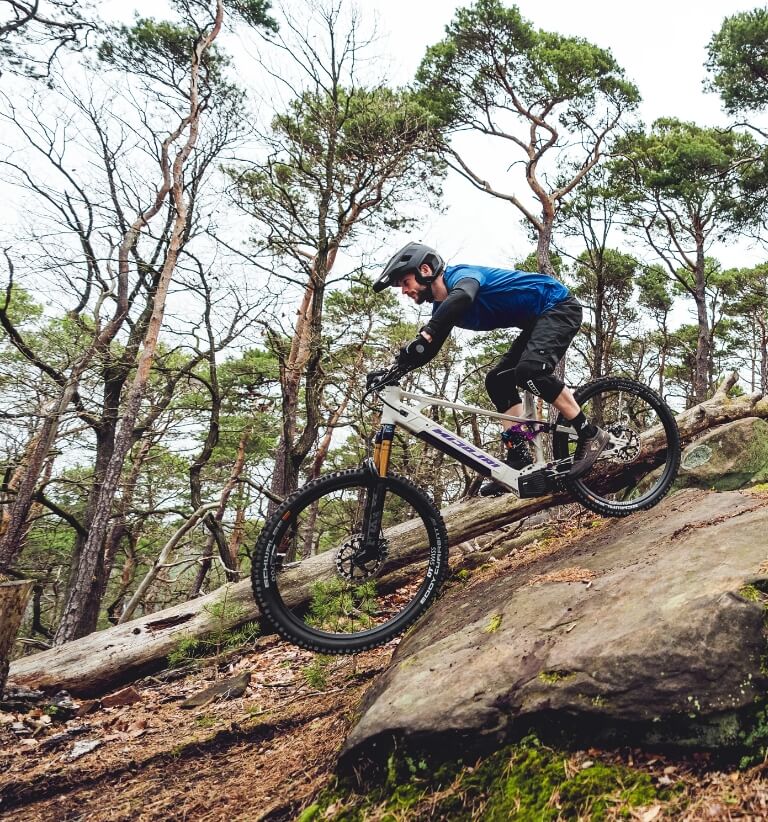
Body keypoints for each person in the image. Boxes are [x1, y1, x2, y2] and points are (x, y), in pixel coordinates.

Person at [372, 241, 609, 495]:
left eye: (405, 283)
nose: (403, 291)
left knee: (530, 371)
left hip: (558, 306)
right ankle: (519, 456)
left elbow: (463, 296)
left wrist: (428, 331)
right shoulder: (443, 307)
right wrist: (392, 371)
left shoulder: (462, 277)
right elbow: (425, 352)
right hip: (536, 321)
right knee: (497, 380)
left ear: (426, 270)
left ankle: (591, 433)